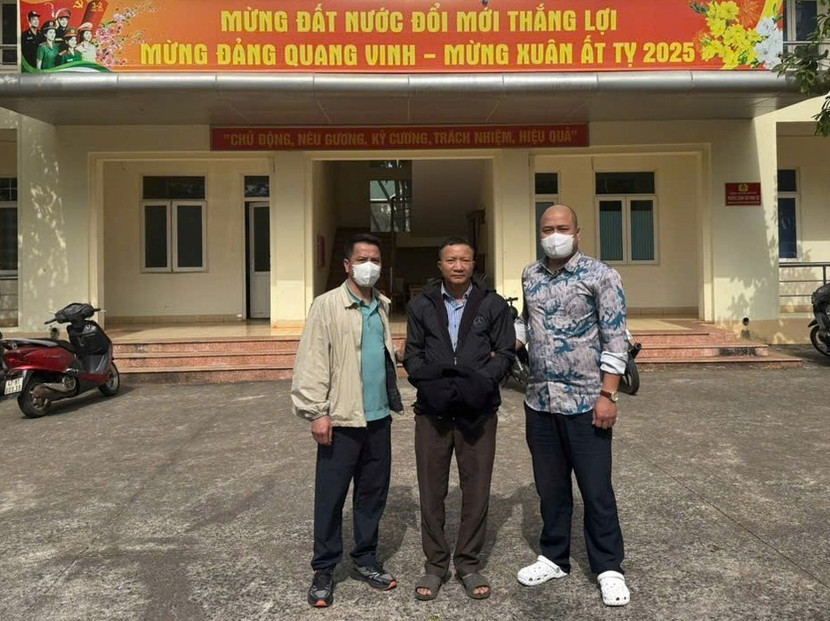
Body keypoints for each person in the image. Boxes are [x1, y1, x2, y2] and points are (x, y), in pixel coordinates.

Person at [515, 204, 631, 607]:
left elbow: (615, 337)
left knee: (596, 490)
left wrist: (607, 395)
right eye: (547, 229)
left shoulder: (601, 275)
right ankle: (553, 557)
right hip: (540, 401)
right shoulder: (530, 274)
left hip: (587, 402)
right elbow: (526, 321)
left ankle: (609, 567)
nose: (554, 235)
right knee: (551, 489)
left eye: (562, 228)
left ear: (577, 232)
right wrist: (508, 338)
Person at [291, 233, 403, 609]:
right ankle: (324, 568)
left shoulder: (381, 305)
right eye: (362, 259)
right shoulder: (326, 306)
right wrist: (317, 412)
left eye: (375, 260)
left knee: (372, 494)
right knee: (331, 497)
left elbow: (375, 352)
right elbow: (312, 360)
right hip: (341, 419)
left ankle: (365, 558)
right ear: (347, 265)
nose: (369, 266)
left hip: (378, 418)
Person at [404, 237, 515, 601]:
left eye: (464, 259)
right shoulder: (421, 305)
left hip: (478, 412)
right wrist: (432, 385)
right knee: (431, 489)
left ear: (473, 264)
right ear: (440, 266)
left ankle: (468, 563)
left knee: (477, 489)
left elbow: (505, 352)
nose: (458, 265)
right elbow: (413, 354)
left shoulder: (493, 304)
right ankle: (435, 565)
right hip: (432, 412)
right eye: (450, 260)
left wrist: (481, 383)